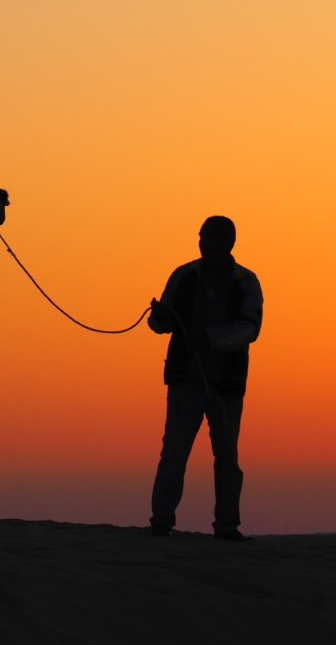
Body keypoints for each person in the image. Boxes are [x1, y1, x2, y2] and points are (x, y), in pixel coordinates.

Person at [146, 216, 263, 540]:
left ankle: (227, 526)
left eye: (210, 238)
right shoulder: (183, 276)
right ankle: (161, 521)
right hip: (186, 379)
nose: (203, 243)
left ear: (228, 243)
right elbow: (160, 325)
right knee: (174, 451)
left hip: (226, 385)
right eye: (202, 237)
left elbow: (250, 329)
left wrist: (209, 338)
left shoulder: (246, 283)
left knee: (226, 456)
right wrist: (160, 317)